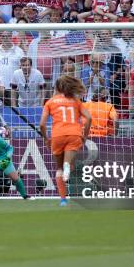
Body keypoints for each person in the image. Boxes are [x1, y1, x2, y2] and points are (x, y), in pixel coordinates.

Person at [39, 75, 91, 206]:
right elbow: (89, 118)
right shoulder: (76, 100)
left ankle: (63, 200)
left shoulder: (50, 102)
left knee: (59, 168)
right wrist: (85, 135)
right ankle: (68, 168)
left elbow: (42, 124)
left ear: (56, 88)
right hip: (74, 134)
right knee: (69, 164)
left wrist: (46, 138)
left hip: (57, 135)